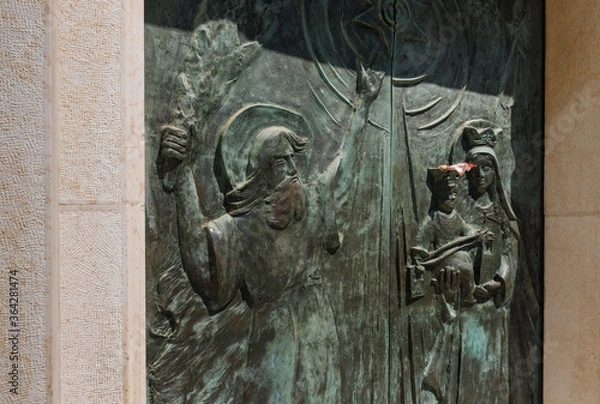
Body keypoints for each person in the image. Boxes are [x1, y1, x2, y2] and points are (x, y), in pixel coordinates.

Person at [158, 66, 383, 403]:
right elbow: (201, 263)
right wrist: (183, 178)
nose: (293, 171)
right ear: (261, 172)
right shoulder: (240, 228)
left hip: (320, 335)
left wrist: (363, 104)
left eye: (294, 161)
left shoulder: (312, 202)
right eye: (282, 162)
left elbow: (345, 164)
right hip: (275, 342)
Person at [411, 165, 491, 305]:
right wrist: (420, 258)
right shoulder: (433, 219)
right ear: (438, 196)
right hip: (443, 260)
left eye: (454, 193)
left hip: (459, 256)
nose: (453, 197)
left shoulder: (455, 216)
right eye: (448, 195)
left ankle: (473, 286)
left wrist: (481, 235)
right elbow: (422, 244)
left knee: (474, 259)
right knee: (465, 270)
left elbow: (468, 232)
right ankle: (468, 296)